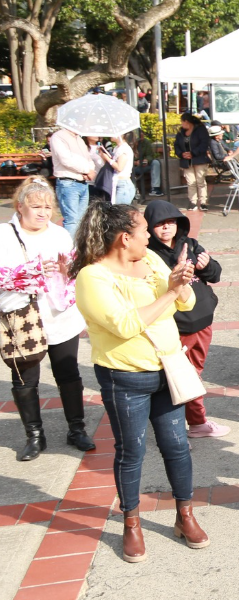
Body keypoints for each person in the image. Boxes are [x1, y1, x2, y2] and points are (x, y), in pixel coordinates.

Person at [71, 202, 206, 563]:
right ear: (124, 238)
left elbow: (186, 303)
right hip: (124, 376)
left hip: (167, 370)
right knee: (132, 452)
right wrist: (168, 293)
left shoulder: (151, 260)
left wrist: (180, 282)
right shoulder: (92, 277)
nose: (150, 235)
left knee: (177, 446)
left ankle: (185, 515)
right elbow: (126, 325)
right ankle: (131, 523)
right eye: (143, 230)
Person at [3, 178, 92, 461]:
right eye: (36, 206)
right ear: (20, 207)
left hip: (60, 315)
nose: (43, 212)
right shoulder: (4, 235)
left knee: (68, 374)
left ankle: (76, 429)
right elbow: (3, 275)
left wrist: (69, 269)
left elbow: (75, 272)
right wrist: (34, 270)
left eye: (48, 206)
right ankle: (34, 436)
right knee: (25, 379)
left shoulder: (59, 234)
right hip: (22, 317)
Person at [144, 201, 229, 437]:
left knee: (194, 374)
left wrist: (207, 265)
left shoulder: (189, 244)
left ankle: (197, 423)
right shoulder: (148, 254)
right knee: (178, 377)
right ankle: (178, 429)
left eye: (170, 222)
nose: (166, 228)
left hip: (202, 320)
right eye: (159, 224)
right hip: (177, 325)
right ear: (150, 228)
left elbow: (216, 274)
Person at [49, 126, 95, 237]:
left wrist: (91, 170)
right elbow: (66, 160)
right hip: (68, 182)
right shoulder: (59, 137)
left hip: (83, 182)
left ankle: (79, 248)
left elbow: (88, 158)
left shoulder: (79, 139)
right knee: (72, 220)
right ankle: (70, 251)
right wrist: (86, 170)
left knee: (81, 220)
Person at [174, 115, 212, 211]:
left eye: (182, 122)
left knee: (200, 181)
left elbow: (204, 144)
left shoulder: (200, 130)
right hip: (186, 160)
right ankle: (193, 201)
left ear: (187, 122)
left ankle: (203, 201)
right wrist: (181, 154)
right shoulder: (180, 133)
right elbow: (176, 145)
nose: (181, 124)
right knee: (190, 182)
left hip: (199, 159)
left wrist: (193, 153)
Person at [99, 133, 136, 205]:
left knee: (120, 212)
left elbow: (119, 167)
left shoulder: (124, 149)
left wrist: (107, 158)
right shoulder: (117, 148)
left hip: (123, 184)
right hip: (117, 182)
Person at [133, 131, 164, 198]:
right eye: (140, 137)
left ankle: (155, 188)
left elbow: (150, 155)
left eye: (142, 136)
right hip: (133, 167)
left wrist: (146, 160)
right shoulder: (129, 144)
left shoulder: (146, 142)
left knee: (155, 162)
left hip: (143, 165)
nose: (142, 138)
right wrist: (135, 162)